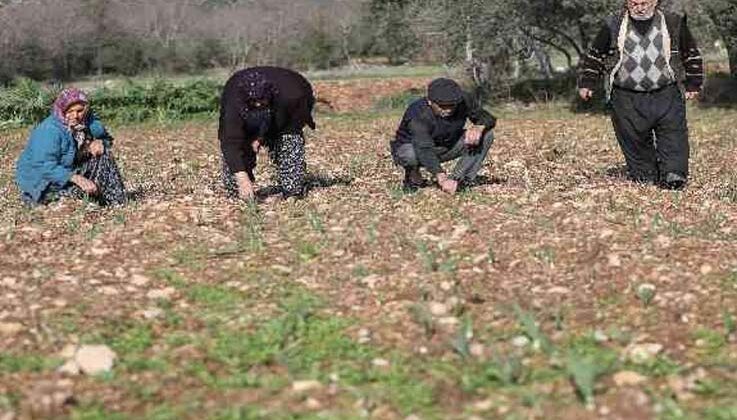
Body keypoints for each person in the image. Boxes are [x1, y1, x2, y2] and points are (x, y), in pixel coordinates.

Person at [578, 0, 704, 190]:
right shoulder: (613, 24)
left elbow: (690, 52)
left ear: (655, 2)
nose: (640, 7)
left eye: (645, 2)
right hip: (626, 95)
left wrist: (694, 83)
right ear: (627, 3)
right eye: (634, 3)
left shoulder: (673, 22)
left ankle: (673, 174)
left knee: (673, 135)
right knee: (633, 138)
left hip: (666, 91)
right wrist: (587, 82)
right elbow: (596, 54)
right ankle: (646, 175)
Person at [15, 88, 127, 206]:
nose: (75, 116)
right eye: (70, 111)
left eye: (80, 110)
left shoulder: (87, 123)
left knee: (104, 154)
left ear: (86, 109)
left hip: (69, 169)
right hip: (43, 182)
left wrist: (99, 142)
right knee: (73, 202)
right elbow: (44, 166)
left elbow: (106, 138)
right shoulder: (50, 130)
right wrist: (77, 178)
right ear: (62, 110)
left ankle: (116, 201)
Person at [218, 66, 316, 201]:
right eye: (254, 103)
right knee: (238, 149)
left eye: (262, 102)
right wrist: (242, 178)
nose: (258, 105)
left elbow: (287, 125)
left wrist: (262, 137)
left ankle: (292, 190)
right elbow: (230, 141)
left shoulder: (293, 96)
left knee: (288, 140)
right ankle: (237, 191)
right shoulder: (233, 100)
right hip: (244, 101)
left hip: (292, 101)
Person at [390, 77, 497, 194]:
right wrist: (441, 177)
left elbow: (488, 118)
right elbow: (423, 148)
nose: (448, 110)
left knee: (487, 135)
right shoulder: (418, 114)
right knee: (409, 154)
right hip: (415, 149)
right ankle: (412, 173)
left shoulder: (463, 100)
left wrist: (479, 127)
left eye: (452, 105)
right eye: (442, 106)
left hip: (447, 145)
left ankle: (460, 179)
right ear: (430, 101)